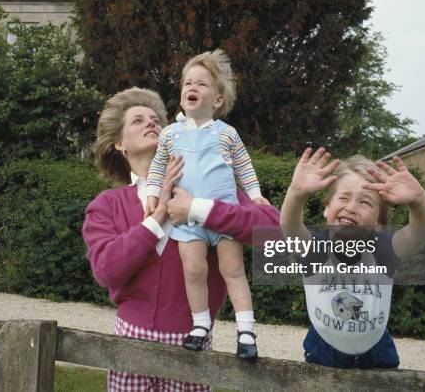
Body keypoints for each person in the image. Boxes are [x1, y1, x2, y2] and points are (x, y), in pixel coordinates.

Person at [82, 87, 279, 390]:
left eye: (155, 120)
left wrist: (200, 210)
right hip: (128, 347)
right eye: (137, 120)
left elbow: (275, 230)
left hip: (193, 350)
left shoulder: (214, 193)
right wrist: (158, 215)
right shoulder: (107, 205)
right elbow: (107, 270)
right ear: (119, 143)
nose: (151, 123)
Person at [145, 50, 267, 360]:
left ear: (217, 100)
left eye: (201, 83)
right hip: (187, 221)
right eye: (187, 83)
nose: (192, 87)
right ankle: (200, 325)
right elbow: (158, 168)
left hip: (224, 216)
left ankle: (246, 330)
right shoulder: (170, 134)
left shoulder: (227, 133)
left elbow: (244, 167)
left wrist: (254, 196)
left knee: (233, 270)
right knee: (194, 271)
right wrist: (153, 196)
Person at [280, 147, 425, 369]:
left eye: (365, 202)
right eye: (343, 197)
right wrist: (296, 193)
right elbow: (291, 229)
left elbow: (421, 233)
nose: (351, 207)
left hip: (376, 349)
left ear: (379, 223)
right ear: (327, 209)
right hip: (324, 347)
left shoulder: (384, 249)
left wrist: (419, 201)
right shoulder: (315, 249)